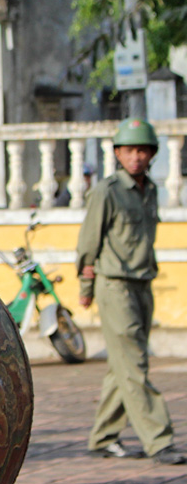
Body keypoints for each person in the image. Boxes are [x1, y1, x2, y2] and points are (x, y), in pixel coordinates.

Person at [76, 118, 183, 465]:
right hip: (114, 285)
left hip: (142, 284)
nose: (135, 157)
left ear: (151, 154)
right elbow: (88, 242)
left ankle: (103, 436)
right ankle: (159, 440)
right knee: (135, 363)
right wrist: (86, 287)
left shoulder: (150, 190)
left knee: (122, 365)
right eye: (128, 150)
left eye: (141, 150)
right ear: (118, 154)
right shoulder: (107, 191)